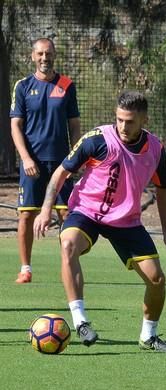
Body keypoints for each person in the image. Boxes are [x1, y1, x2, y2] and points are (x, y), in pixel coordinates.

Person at [33, 91, 166, 351]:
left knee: (157, 279)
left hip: (126, 220)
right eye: (120, 119)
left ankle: (149, 336)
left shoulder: (156, 149)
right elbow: (61, 173)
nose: (123, 126)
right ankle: (81, 322)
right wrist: (46, 208)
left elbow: (162, 190)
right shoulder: (97, 139)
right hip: (87, 212)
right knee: (68, 245)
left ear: (144, 120)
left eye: (130, 121)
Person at [10, 37, 81, 284]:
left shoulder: (66, 85)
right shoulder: (22, 86)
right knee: (26, 216)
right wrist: (26, 158)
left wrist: (75, 158)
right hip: (33, 165)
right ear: (33, 56)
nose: (44, 58)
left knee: (66, 216)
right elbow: (15, 126)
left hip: (61, 165)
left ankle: (68, 266)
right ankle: (25, 268)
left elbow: (74, 125)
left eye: (48, 54)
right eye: (40, 54)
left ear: (54, 55)